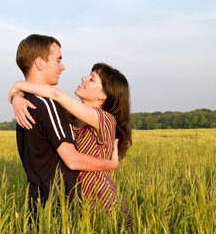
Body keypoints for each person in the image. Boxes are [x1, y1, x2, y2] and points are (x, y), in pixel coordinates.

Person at [9, 61, 133, 230]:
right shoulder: (68, 116)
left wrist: (18, 85)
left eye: (91, 79)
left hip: (106, 206)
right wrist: (17, 98)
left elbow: (55, 94)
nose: (83, 78)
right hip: (79, 207)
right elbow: (46, 99)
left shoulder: (105, 120)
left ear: (103, 95)